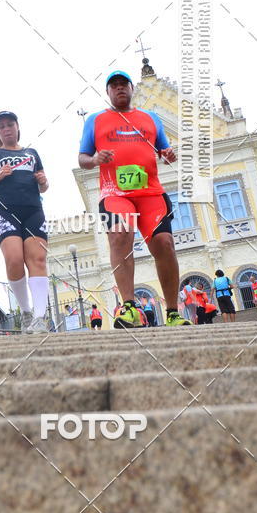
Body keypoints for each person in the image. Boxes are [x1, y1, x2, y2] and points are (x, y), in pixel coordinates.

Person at [78, 70, 190, 328]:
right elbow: (82, 158)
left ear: (131, 89)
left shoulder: (150, 118)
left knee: (164, 243)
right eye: (114, 86)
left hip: (151, 194)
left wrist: (169, 154)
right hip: (115, 193)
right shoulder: (95, 120)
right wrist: (94, 160)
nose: (119, 89)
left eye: (123, 85)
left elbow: (163, 150)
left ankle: (172, 312)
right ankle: (129, 307)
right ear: (108, 92)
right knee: (120, 235)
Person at [0, 110, 49, 334]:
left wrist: (44, 181)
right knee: (15, 258)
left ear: (18, 127)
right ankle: (26, 311)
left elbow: (44, 186)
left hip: (33, 211)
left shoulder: (32, 153)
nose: (6, 129)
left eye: (10, 124)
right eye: (2, 126)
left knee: (37, 258)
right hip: (4, 211)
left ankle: (40, 317)